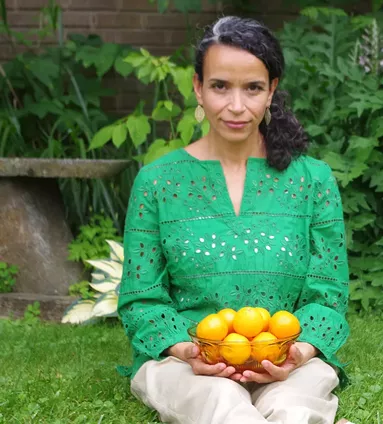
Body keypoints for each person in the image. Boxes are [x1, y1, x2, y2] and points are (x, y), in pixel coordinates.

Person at [116, 15, 353, 424]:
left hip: (286, 359)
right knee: (225, 409)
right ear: (198, 87)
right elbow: (142, 298)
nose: (237, 106)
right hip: (186, 366)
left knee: (293, 411)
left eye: (253, 88)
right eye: (220, 86)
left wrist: (299, 352)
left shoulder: (312, 180)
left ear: (272, 91)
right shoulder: (157, 182)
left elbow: (328, 295)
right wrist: (187, 350)